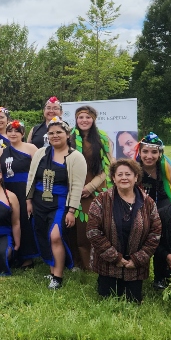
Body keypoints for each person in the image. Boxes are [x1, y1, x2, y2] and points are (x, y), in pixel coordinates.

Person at [86, 158, 162, 303]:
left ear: (136, 177)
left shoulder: (148, 203)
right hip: (108, 265)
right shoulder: (101, 200)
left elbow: (156, 233)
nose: (124, 178)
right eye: (119, 174)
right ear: (113, 178)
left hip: (136, 268)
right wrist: (116, 258)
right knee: (107, 299)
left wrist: (137, 259)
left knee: (133, 300)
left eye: (128, 174)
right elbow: (92, 231)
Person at [25, 117, 87, 289]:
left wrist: (72, 210)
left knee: (56, 236)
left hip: (60, 203)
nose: (55, 135)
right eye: (51, 133)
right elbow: (31, 177)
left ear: (67, 134)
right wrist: (28, 200)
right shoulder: (40, 153)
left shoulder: (76, 157)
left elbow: (76, 186)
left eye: (59, 132)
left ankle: (58, 277)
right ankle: (52, 270)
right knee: (44, 236)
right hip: (38, 201)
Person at [67, 105, 112, 271]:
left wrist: (90, 187)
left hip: (94, 188)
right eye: (81, 117)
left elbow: (108, 167)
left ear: (93, 119)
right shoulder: (69, 137)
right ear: (76, 119)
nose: (84, 120)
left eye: (87, 117)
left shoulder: (103, 139)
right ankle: (76, 262)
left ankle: (93, 263)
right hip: (73, 186)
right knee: (74, 225)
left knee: (91, 225)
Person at [0, 120, 40, 263]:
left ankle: (28, 256)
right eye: (10, 131)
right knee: (11, 220)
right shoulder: (1, 151)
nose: (13, 134)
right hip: (8, 190)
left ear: (22, 133)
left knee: (25, 220)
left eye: (16, 131)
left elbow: (38, 171)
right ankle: (12, 253)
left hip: (25, 189)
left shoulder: (31, 148)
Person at [135, 132, 171, 208]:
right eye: (145, 151)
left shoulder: (164, 165)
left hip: (161, 202)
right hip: (138, 202)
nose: (149, 156)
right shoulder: (134, 166)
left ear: (160, 153)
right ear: (139, 152)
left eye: (154, 152)